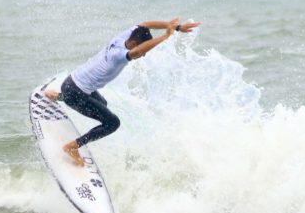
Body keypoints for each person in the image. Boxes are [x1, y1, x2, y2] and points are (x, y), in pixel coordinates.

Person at [45, 18, 201, 166]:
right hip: (76, 92)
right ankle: (72, 146)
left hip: (72, 82)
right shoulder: (118, 56)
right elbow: (138, 51)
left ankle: (59, 96)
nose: (144, 54)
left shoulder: (126, 35)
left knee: (103, 105)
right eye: (142, 49)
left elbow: (145, 24)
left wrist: (176, 27)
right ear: (134, 43)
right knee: (112, 123)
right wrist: (165, 36)